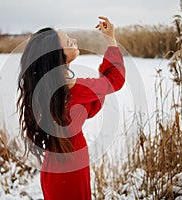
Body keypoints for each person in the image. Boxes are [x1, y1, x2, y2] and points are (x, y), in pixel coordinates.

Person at [17, 16, 125, 200]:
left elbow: (91, 106)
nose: (74, 41)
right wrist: (111, 40)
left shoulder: (49, 90)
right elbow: (115, 81)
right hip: (71, 167)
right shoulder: (73, 89)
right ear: (58, 55)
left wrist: (99, 85)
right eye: (68, 41)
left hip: (54, 166)